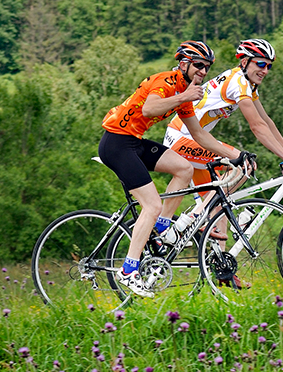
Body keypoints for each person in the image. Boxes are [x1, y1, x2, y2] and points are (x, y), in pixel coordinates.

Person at [98, 40, 250, 297]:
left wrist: (234, 155)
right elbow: (149, 108)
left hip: (134, 142)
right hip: (116, 143)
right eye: (198, 65)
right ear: (184, 63)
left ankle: (162, 227)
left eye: (207, 67)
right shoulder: (168, 82)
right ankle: (128, 270)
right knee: (152, 204)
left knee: (183, 168)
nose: (203, 72)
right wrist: (184, 97)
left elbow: (199, 135)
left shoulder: (185, 92)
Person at [163, 38, 283, 251]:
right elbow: (257, 126)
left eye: (268, 65)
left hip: (193, 140)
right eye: (260, 63)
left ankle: (221, 268)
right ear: (245, 62)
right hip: (182, 138)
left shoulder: (247, 84)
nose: (265, 70)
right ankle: (191, 218)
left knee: (218, 205)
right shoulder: (238, 83)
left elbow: (267, 121)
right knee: (244, 165)